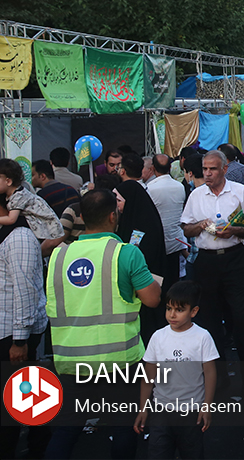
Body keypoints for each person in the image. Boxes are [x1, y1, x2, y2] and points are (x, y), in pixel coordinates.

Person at [44, 188, 161, 459]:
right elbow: (152, 299)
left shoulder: (59, 256)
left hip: (71, 359)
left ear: (82, 217)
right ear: (113, 216)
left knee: (66, 430)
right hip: (119, 361)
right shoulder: (126, 253)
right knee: (123, 428)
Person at [180, 149, 244, 391]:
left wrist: (233, 231)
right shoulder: (196, 195)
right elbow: (186, 228)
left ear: (224, 169)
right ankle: (220, 376)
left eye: (212, 169)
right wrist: (200, 226)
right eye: (205, 169)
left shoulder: (239, 191)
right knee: (210, 319)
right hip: (207, 261)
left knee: (241, 317)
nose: (207, 173)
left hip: (235, 259)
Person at [134, 281, 218, 460]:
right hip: (161, 411)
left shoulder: (202, 337)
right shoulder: (158, 337)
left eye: (179, 310)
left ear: (193, 311)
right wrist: (143, 408)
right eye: (168, 308)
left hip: (191, 411)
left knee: (192, 453)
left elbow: (210, 373)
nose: (172, 314)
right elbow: (148, 375)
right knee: (158, 454)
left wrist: (207, 406)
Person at [0, 203, 50, 460]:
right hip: (8, 329)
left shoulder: (18, 237)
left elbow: (25, 290)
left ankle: (35, 450)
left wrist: (19, 340)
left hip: (14, 333)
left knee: (24, 400)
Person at [116, 159, 175, 345]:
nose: (116, 205)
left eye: (118, 200)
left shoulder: (142, 227)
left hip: (146, 288)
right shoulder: (133, 219)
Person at [146, 154, 189, 284]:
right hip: (176, 241)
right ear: (170, 167)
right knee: (173, 279)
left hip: (158, 242)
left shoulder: (150, 188)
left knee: (159, 281)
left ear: (153, 168)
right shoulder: (179, 186)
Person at [0, 158, 63, 242]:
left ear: (8, 181)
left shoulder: (18, 195)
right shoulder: (12, 194)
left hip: (45, 227)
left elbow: (11, 219)